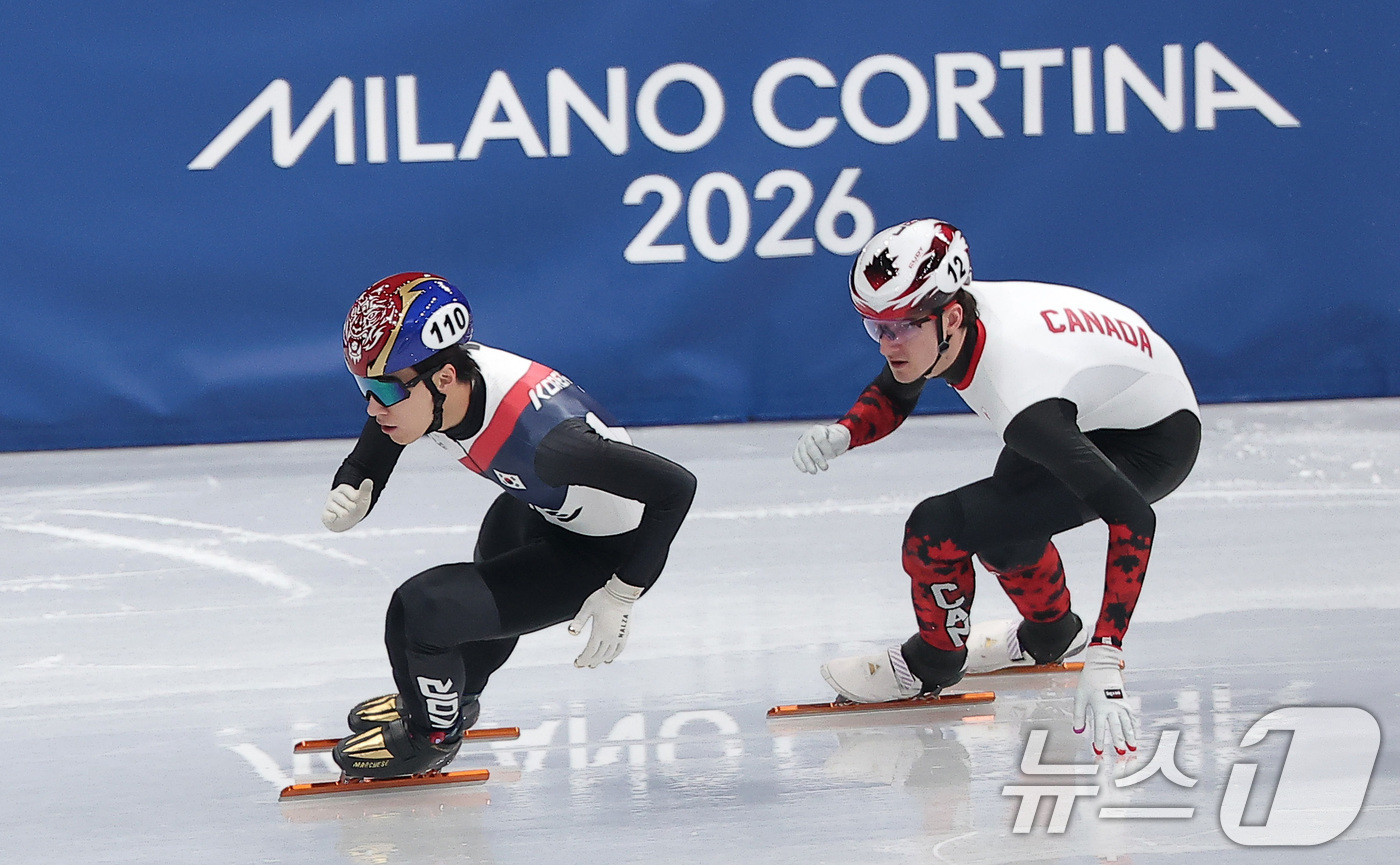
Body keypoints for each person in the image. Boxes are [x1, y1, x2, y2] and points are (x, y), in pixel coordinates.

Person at [793, 220, 1199, 758]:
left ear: (951, 317)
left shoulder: (1022, 397)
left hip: (1151, 441)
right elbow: (898, 385)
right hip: (1103, 400)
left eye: (900, 327)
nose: (887, 344)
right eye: (875, 328)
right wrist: (846, 432)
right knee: (1005, 527)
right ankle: (1051, 634)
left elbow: (1133, 517)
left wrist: (1106, 657)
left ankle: (932, 662)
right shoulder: (950, 321)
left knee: (937, 528)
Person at [322, 272, 696, 779]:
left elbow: (676, 487)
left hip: (603, 554)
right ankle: (452, 696)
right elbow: (391, 418)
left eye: (383, 390)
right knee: (490, 556)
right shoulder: (442, 380)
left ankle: (431, 738)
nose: (372, 406)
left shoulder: (550, 445)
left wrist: (624, 591)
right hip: (543, 511)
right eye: (364, 387)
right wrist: (359, 475)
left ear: (445, 379)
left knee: (420, 611)